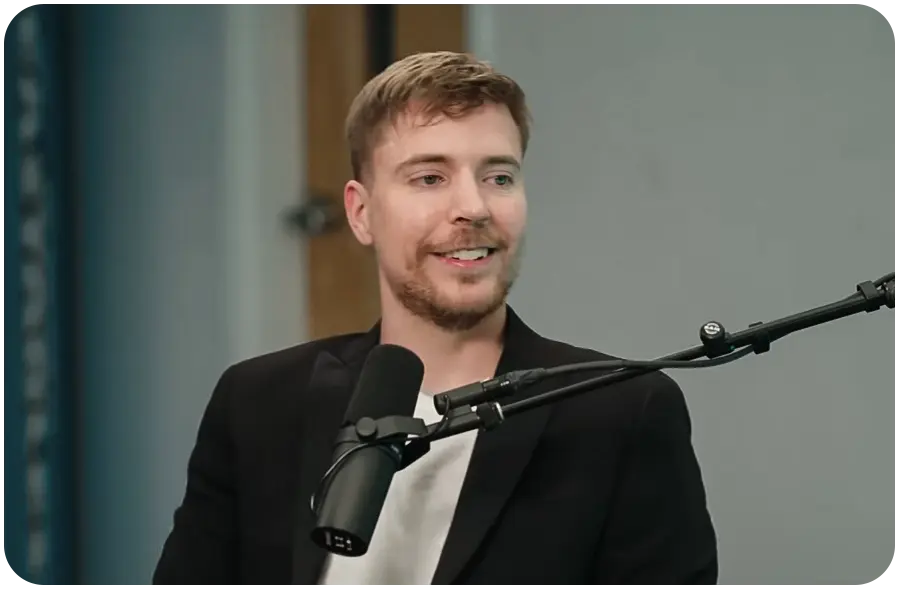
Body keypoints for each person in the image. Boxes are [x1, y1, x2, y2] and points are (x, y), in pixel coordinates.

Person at [152, 51, 717, 589]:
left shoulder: (621, 411)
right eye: (429, 177)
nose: (473, 207)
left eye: (499, 177)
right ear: (361, 213)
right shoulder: (257, 402)